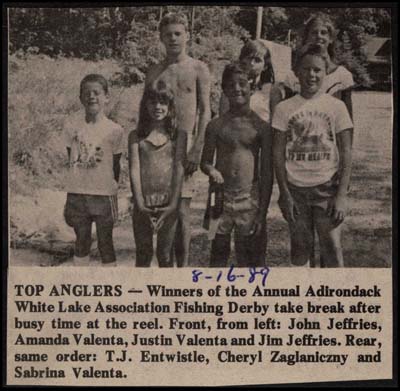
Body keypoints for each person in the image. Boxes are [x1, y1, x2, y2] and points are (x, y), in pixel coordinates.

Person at [272, 45, 353, 268]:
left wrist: (341, 195)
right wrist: (284, 193)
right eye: (306, 69)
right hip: (295, 190)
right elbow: (277, 153)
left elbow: (346, 152)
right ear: (296, 72)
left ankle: (336, 298)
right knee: (299, 248)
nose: (311, 75)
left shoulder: (336, 107)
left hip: (327, 188)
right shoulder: (283, 108)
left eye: (317, 70)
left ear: (326, 73)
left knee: (332, 248)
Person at [145, 12, 211, 267]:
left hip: (186, 147)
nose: (173, 38)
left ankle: (181, 271)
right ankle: (164, 267)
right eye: (168, 34)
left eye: (178, 33)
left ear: (187, 36)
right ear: (161, 38)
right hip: (158, 146)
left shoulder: (198, 68)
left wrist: (197, 148)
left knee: (182, 210)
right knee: (162, 207)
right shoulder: (154, 71)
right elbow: (146, 111)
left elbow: (205, 110)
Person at [201, 63, 273, 267]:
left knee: (249, 255)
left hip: (248, 197)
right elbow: (205, 162)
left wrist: (262, 212)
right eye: (231, 85)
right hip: (219, 196)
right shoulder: (215, 125)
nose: (237, 89)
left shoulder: (261, 127)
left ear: (251, 86)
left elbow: (267, 172)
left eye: (242, 83)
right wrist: (212, 170)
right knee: (217, 251)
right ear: (224, 89)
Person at [63, 74, 124, 267]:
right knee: (81, 240)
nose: (92, 97)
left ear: (106, 97)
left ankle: (110, 282)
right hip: (78, 191)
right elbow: (70, 157)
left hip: (103, 193)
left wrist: (110, 187)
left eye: (97, 92)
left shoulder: (115, 130)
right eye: (86, 93)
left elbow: (116, 164)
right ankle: (81, 282)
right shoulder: (71, 126)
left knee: (106, 241)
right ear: (80, 98)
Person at [128, 81, 186, 267]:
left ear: (170, 107)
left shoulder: (179, 135)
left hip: (168, 203)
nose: (157, 107)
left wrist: (173, 204)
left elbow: (179, 168)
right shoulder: (136, 136)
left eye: (163, 102)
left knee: (165, 255)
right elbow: (134, 169)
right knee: (143, 254)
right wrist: (140, 202)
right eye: (152, 102)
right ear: (145, 105)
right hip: (143, 203)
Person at [270, 13, 355, 130]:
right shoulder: (293, 76)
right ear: (306, 37)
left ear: (330, 39)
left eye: (324, 32)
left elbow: (348, 121)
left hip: (330, 142)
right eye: (314, 32)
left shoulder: (342, 76)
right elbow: (287, 115)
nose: (319, 36)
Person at [219, 39, 275, 123]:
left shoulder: (271, 91)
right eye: (249, 58)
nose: (252, 63)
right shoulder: (231, 89)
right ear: (242, 60)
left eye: (257, 60)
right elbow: (223, 120)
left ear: (265, 66)